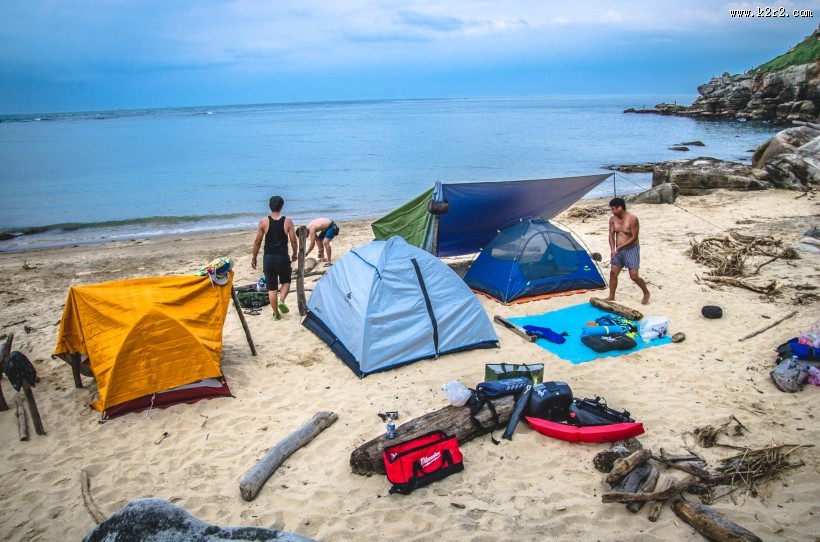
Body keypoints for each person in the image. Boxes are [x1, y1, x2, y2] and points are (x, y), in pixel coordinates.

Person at [251, 196, 298, 320]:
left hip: (269, 259)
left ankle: (276, 314)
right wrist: (295, 253)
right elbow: (293, 240)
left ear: (269, 206)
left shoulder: (263, 222)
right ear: (282, 206)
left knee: (271, 288)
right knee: (286, 281)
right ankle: (282, 300)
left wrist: (254, 257)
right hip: (282, 258)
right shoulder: (287, 221)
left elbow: (257, 242)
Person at [605, 197, 650, 305]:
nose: (612, 211)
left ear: (620, 208)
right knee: (613, 273)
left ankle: (646, 292)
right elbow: (611, 234)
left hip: (631, 249)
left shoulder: (632, 219)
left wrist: (621, 247)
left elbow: (634, 237)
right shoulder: (612, 219)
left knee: (634, 276)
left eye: (613, 209)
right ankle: (611, 296)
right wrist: (612, 249)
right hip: (618, 251)